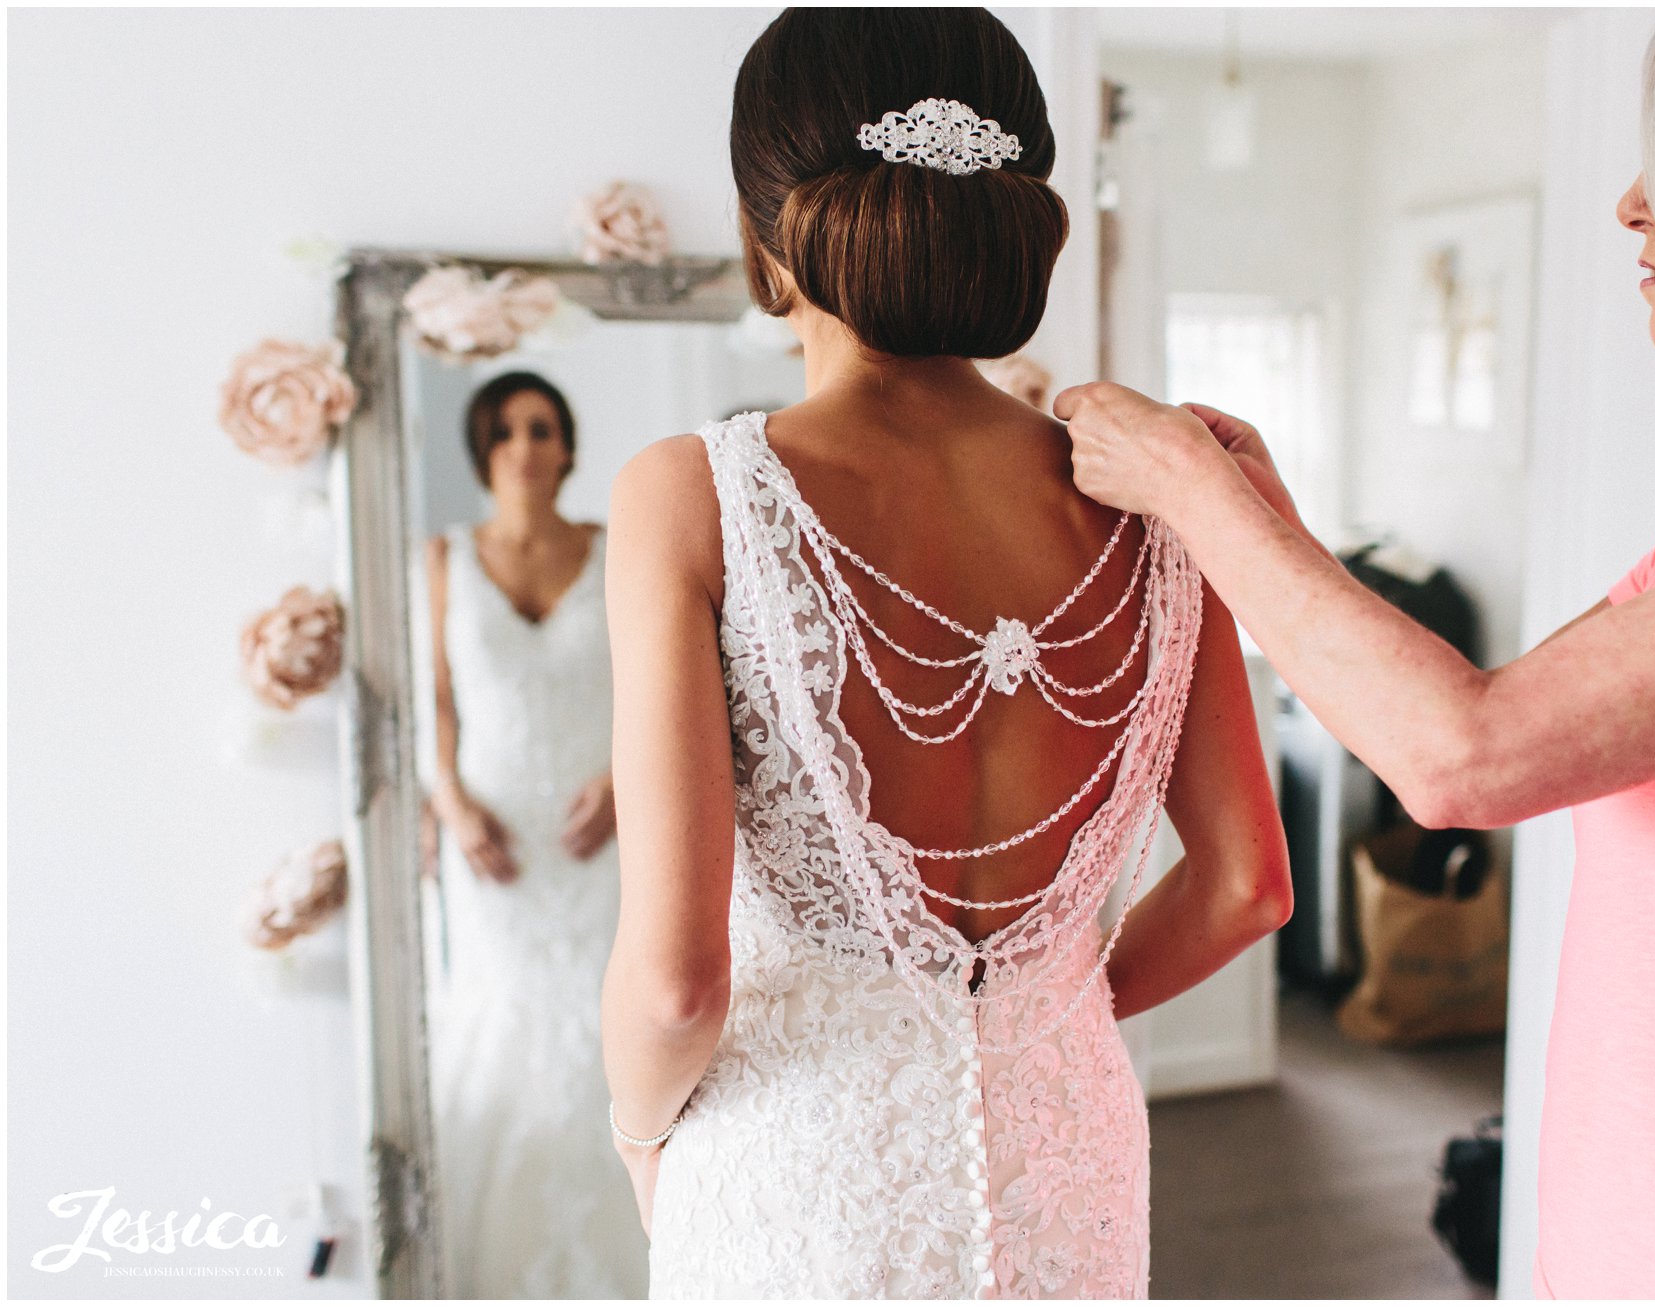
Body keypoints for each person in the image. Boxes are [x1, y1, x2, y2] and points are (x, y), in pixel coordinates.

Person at [1054, 7, 1655, 1299]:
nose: (1632, 205)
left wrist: (1192, 490)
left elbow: (1467, 754)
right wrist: (1269, 523)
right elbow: (1497, 704)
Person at [600, 9, 1290, 1299]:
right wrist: (1029, 1020)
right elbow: (1246, 883)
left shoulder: (691, 495)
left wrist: (642, 1137)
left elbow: (678, 982)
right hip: (1068, 1162)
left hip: (799, 1173)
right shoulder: (1148, 489)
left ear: (768, 243)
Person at [423, 371, 643, 1297]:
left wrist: (626, 780)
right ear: (483, 449)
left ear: (567, 448)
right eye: (506, 429)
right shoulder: (440, 559)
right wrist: (451, 801)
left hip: (601, 836)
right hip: (492, 849)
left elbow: (658, 684)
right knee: (501, 1016)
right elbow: (432, 700)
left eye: (542, 427)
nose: (524, 444)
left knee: (606, 1017)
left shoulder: (616, 547)